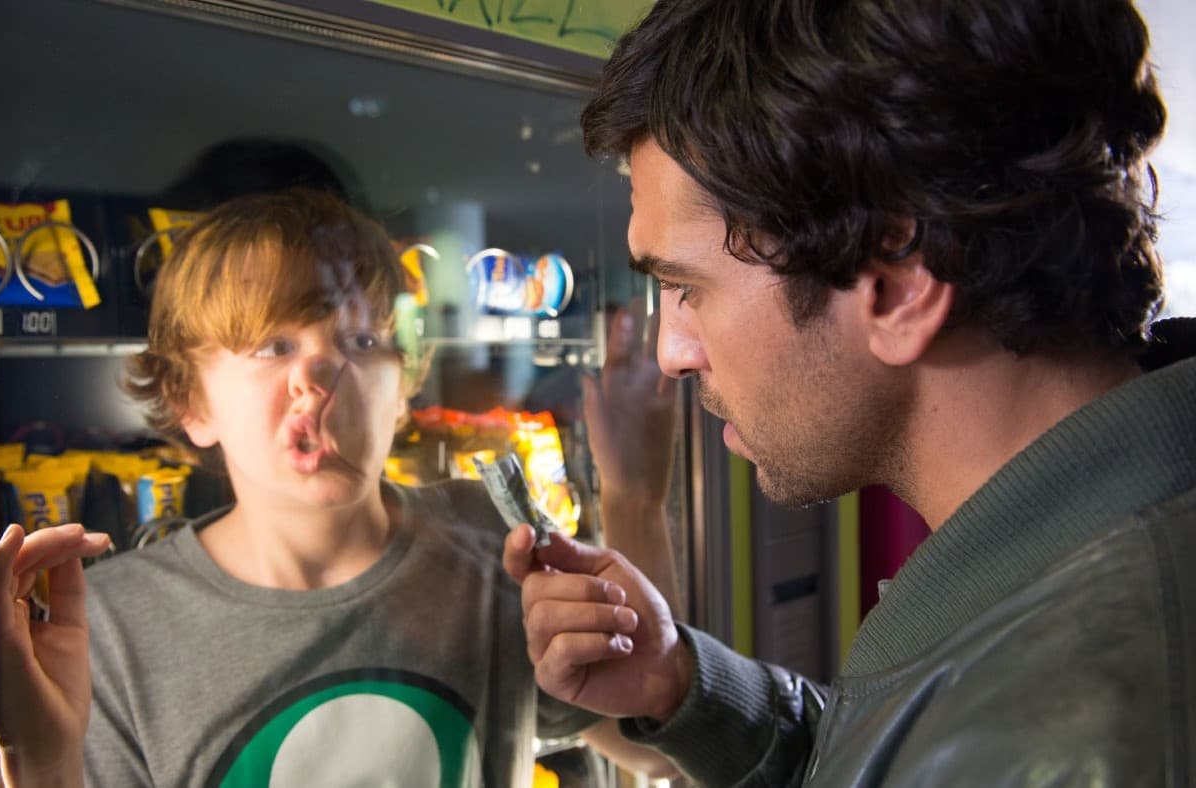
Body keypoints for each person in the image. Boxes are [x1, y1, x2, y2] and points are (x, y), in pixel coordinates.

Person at [503, 0, 1196, 785]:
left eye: (687, 288)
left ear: (897, 288)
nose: (672, 355)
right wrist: (681, 688)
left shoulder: (1097, 733)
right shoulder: (1077, 593)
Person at [0, 188, 678, 785]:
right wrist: (40, 763)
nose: (319, 375)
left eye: (362, 342)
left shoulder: (491, 545)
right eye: (273, 346)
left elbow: (651, 743)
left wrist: (636, 498)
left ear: (405, 386)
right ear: (189, 401)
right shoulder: (112, 629)